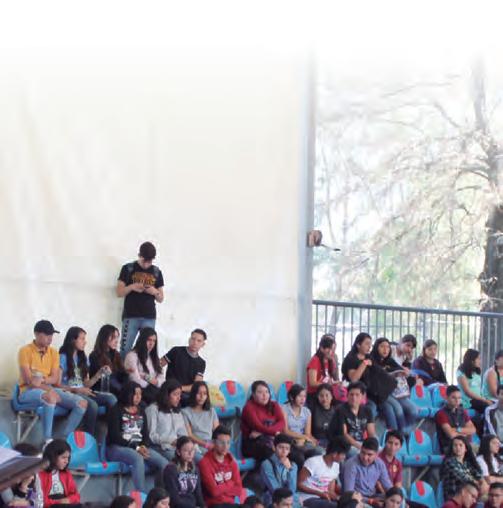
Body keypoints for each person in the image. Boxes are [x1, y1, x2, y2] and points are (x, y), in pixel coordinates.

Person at [17, 320, 87, 443]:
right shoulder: (25, 351)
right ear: (36, 334)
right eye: (47, 335)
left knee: (82, 403)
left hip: (49, 389)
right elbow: (30, 381)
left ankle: (63, 440)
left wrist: (42, 380)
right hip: (27, 391)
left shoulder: (54, 352)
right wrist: (48, 387)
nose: (50, 338)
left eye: (52, 335)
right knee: (51, 397)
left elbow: (54, 378)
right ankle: (47, 440)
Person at [106, 381, 169, 492]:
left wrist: (143, 446)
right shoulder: (115, 410)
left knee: (163, 463)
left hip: (139, 447)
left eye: (140, 394)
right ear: (127, 394)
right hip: (117, 448)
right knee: (137, 457)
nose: (139, 397)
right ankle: (142, 495)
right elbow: (115, 436)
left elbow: (145, 435)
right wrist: (136, 448)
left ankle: (159, 495)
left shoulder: (141, 411)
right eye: (135, 394)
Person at [58, 326, 117, 435]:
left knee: (111, 398)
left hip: (83, 392)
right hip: (70, 393)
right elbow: (57, 385)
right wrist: (76, 390)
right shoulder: (62, 357)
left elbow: (86, 384)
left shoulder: (82, 358)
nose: (85, 342)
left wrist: (99, 374)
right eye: (82, 339)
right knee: (93, 405)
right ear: (73, 340)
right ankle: (89, 437)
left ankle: (111, 435)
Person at [117, 241, 165, 356]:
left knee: (147, 352)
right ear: (139, 255)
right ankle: (123, 368)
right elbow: (119, 292)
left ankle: (142, 369)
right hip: (131, 315)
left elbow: (161, 298)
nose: (146, 265)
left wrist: (154, 291)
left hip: (149, 317)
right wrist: (132, 287)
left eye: (150, 262)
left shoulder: (156, 272)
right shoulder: (128, 268)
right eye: (144, 261)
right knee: (125, 350)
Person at [370, 337, 418, 432]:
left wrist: (405, 371)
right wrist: (392, 374)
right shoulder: (372, 360)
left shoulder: (389, 360)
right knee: (396, 409)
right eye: (382, 347)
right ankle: (398, 435)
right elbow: (377, 377)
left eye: (387, 347)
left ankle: (403, 433)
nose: (385, 350)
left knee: (414, 411)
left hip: (394, 392)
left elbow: (399, 369)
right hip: (379, 394)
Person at [297, 437, 350, 508]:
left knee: (349, 504)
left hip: (324, 498)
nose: (344, 457)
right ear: (334, 454)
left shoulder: (336, 466)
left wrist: (337, 497)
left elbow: (331, 490)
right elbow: (299, 485)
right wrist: (319, 493)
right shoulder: (313, 462)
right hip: (308, 498)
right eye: (343, 454)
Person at [241, 380, 285, 462]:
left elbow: (282, 422)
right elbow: (258, 427)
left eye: (267, 392)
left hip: (272, 440)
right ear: (253, 394)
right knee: (272, 454)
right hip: (253, 443)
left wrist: (264, 433)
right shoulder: (248, 407)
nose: (264, 395)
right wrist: (275, 432)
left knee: (296, 454)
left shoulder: (274, 405)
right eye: (260, 392)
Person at [198, 425, 242, 507]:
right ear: (214, 442)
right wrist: (231, 483)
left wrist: (220, 488)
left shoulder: (232, 462)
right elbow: (214, 491)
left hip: (231, 504)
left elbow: (238, 490)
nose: (225, 446)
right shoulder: (204, 463)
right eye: (222, 442)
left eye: (228, 442)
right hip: (215, 504)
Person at [328, 382, 375, 456]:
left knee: (378, 451)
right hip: (344, 444)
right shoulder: (340, 410)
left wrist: (371, 446)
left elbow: (371, 433)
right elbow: (344, 434)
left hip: (361, 442)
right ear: (347, 395)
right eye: (351, 394)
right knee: (360, 454)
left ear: (363, 396)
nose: (354, 398)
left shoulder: (367, 411)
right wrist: (360, 447)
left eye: (357, 395)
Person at [162, 330, 207, 406]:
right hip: (170, 390)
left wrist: (179, 388)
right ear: (189, 339)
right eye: (193, 339)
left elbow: (196, 386)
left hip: (186, 393)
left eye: (199, 341)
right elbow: (158, 365)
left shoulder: (201, 363)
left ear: (203, 344)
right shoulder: (176, 351)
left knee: (203, 404)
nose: (195, 342)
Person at [341, 437, 392, 504]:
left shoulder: (380, 464)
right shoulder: (351, 465)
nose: (365, 457)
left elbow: (388, 486)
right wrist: (371, 501)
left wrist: (395, 497)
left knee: (396, 501)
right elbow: (349, 494)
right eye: (363, 453)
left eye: (369, 454)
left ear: (376, 455)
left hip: (373, 496)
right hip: (356, 500)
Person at [281, 384, 322, 468]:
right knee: (300, 457)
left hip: (302, 440)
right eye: (300, 396)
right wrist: (303, 437)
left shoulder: (307, 412)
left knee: (320, 452)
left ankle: (313, 475)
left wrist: (304, 439)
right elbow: (285, 431)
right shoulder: (284, 409)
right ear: (292, 397)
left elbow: (307, 433)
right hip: (288, 440)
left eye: (304, 396)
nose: (303, 399)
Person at [146, 379, 188, 461]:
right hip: (160, 447)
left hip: (176, 447)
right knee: (181, 461)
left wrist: (185, 443)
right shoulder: (153, 409)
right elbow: (151, 436)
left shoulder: (176, 411)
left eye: (180, 394)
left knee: (196, 459)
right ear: (166, 395)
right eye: (175, 394)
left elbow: (183, 433)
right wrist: (171, 441)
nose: (179, 398)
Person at [440, 435, 487, 502]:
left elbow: (477, 474)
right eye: (455, 445)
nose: (458, 448)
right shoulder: (449, 462)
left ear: (466, 449)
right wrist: (478, 484)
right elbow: (464, 478)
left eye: (460, 445)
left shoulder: (466, 463)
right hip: (455, 497)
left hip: (469, 495)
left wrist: (483, 481)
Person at [124, 327, 164, 405]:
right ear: (142, 340)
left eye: (154, 341)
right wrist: (152, 383)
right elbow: (135, 379)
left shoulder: (154, 357)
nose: (151, 343)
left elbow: (162, 378)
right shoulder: (132, 356)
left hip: (153, 389)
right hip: (139, 391)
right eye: (149, 340)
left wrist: (146, 377)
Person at [181, 381, 219, 461]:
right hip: (196, 446)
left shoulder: (211, 411)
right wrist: (206, 445)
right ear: (193, 394)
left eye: (205, 394)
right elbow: (189, 435)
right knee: (207, 461)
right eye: (199, 393)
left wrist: (217, 444)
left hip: (211, 444)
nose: (202, 396)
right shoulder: (185, 412)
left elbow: (217, 431)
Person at [162, 436, 204, 508]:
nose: (190, 453)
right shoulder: (170, 470)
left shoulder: (195, 469)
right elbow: (174, 498)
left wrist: (202, 506)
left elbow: (198, 493)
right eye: (186, 450)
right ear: (178, 452)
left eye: (192, 450)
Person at [260, 434, 299, 508]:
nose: (284, 451)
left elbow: (292, 489)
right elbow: (275, 490)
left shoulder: (293, 465)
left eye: (287, 448)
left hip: (290, 499)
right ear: (274, 447)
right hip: (274, 499)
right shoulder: (267, 464)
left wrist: (290, 470)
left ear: (289, 451)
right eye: (281, 447)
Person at [38, 439, 80, 507]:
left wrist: (69, 500)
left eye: (68, 458)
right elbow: (39, 499)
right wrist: (58, 502)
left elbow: (76, 495)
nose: (66, 461)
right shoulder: (40, 474)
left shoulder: (66, 474)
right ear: (53, 456)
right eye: (63, 457)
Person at [435, 385, 476, 453]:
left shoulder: (463, 412)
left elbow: (473, 430)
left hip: (465, 445)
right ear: (446, 398)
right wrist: (465, 434)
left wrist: (457, 429)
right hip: (450, 447)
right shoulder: (441, 414)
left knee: (484, 449)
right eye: (453, 398)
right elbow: (451, 435)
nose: (457, 401)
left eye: (459, 398)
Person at [89, 324, 128, 397]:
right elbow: (104, 380)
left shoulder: (116, 354)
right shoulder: (95, 355)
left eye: (117, 337)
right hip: (102, 389)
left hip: (117, 389)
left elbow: (123, 374)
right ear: (105, 337)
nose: (116, 341)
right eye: (114, 337)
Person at [0, 443, 43, 508]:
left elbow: (40, 503)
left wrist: (27, 502)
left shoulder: (33, 475)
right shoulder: (4, 478)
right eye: (34, 463)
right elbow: (12, 505)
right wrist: (23, 488)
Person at [306, 335, 339, 407]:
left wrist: (335, 383)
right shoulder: (315, 360)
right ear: (321, 348)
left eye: (333, 349)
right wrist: (327, 384)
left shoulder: (330, 361)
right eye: (329, 348)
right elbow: (312, 383)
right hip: (314, 395)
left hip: (326, 394)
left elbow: (329, 379)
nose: (331, 352)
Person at [457, 348, 492, 415]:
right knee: (487, 407)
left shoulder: (476, 372)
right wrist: (484, 400)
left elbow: (479, 389)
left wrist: (485, 398)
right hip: (468, 400)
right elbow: (468, 392)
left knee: (496, 405)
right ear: (472, 360)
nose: (480, 361)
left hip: (479, 399)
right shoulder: (461, 373)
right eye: (478, 359)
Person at [311, 384, 337, 448]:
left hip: (333, 441)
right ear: (317, 397)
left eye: (327, 395)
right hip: (317, 441)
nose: (324, 398)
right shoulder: (312, 410)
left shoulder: (337, 411)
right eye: (321, 396)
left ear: (332, 396)